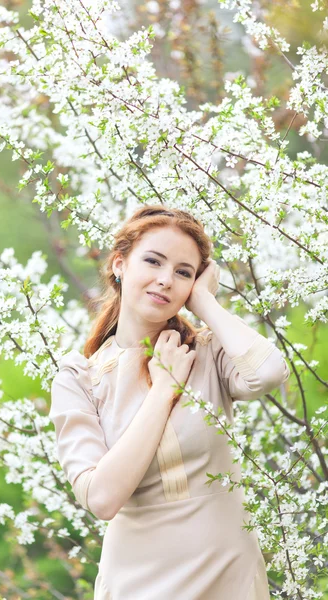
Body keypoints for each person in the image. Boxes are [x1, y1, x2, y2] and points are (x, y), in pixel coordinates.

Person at [49, 205, 290, 599]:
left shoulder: (207, 353)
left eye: (183, 272)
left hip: (228, 574)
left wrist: (204, 303)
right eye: (153, 261)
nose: (165, 280)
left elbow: (268, 373)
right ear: (119, 264)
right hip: (137, 583)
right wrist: (164, 391)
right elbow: (102, 498)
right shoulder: (81, 379)